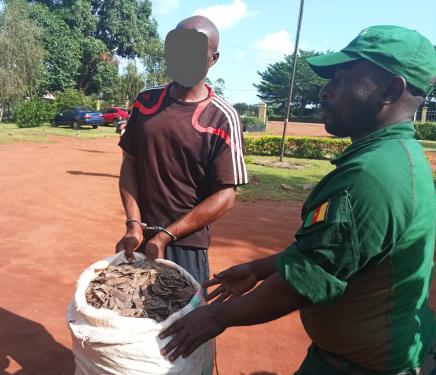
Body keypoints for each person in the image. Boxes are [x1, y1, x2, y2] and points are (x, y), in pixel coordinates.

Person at [160, 25, 436, 374]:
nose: (325, 90)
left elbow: (302, 284)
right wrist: (259, 268)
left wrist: (214, 317)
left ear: (390, 89)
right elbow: (336, 252)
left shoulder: (371, 177)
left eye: (342, 78)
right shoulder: (398, 156)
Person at [115, 15, 248, 285]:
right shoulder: (146, 101)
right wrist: (134, 223)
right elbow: (130, 163)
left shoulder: (222, 117)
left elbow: (225, 196)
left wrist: (167, 235)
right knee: (133, 318)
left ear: (214, 57)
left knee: (184, 322)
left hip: (187, 244)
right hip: (140, 237)